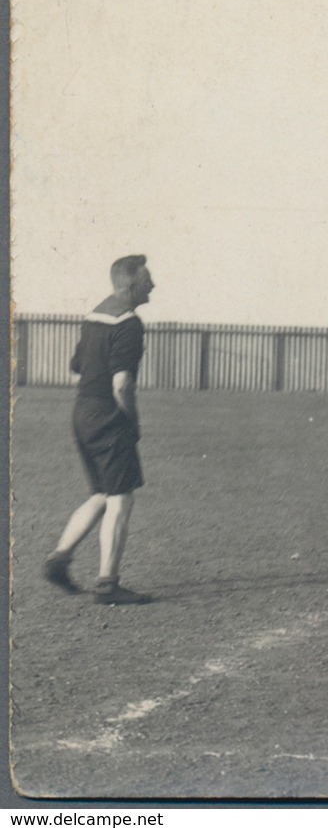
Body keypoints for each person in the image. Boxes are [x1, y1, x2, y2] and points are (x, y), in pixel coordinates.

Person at [43, 255, 157, 605]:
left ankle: (59, 559)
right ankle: (108, 583)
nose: (153, 285)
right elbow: (122, 384)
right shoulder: (129, 323)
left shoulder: (94, 316)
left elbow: (76, 372)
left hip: (82, 412)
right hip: (108, 416)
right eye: (147, 279)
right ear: (130, 284)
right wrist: (132, 422)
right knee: (121, 498)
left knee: (102, 494)